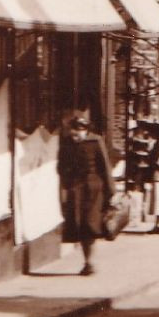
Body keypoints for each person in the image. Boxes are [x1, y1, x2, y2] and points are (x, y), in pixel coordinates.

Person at [58, 116, 114, 277]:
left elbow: (105, 168)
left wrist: (111, 192)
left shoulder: (95, 142)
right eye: (74, 130)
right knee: (80, 225)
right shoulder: (66, 144)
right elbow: (61, 166)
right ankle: (87, 262)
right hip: (76, 190)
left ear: (86, 130)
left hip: (94, 189)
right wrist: (66, 185)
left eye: (80, 130)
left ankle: (90, 262)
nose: (76, 133)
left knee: (90, 225)